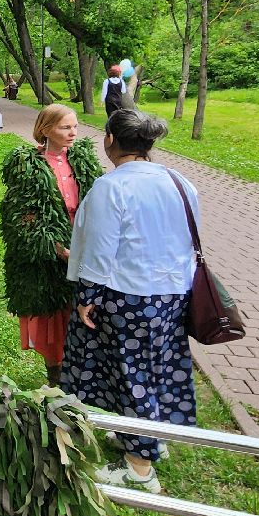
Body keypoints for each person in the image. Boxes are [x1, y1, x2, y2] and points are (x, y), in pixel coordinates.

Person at [64, 108, 199, 494]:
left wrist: (87, 297)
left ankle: (140, 468)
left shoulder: (112, 187)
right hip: (173, 294)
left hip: (129, 296)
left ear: (110, 140)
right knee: (160, 364)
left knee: (131, 372)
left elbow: (100, 250)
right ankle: (150, 437)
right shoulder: (179, 182)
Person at [0, 104, 102, 387]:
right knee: (52, 317)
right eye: (65, 127)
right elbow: (21, 217)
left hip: (83, 249)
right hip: (50, 258)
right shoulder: (29, 167)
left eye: (75, 127)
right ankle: (55, 376)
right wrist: (57, 249)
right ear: (45, 130)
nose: (73, 133)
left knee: (79, 312)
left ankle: (79, 373)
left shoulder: (82, 162)